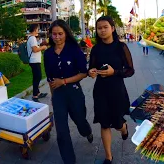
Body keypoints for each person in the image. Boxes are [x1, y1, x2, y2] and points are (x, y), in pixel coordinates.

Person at [43, 20, 93, 164]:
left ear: (66, 34)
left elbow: (83, 73)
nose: (57, 37)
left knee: (80, 121)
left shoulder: (74, 50)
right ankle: (69, 160)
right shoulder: (48, 54)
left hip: (74, 93)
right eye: (54, 34)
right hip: (58, 95)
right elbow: (50, 79)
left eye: (60, 34)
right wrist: (53, 98)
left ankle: (87, 131)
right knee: (62, 131)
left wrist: (63, 81)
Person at [88, 16, 135, 164]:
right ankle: (108, 156)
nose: (102, 30)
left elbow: (130, 70)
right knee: (104, 123)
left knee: (117, 123)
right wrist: (91, 72)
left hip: (117, 90)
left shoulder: (121, 47)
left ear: (112, 28)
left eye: (105, 27)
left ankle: (124, 128)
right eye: (99, 28)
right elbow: (91, 67)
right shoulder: (96, 49)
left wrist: (113, 72)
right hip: (100, 91)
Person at [27, 24, 48, 102]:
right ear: (35, 29)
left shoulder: (32, 38)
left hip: (34, 61)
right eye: (38, 29)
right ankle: (35, 95)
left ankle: (38, 93)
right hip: (34, 61)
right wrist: (43, 47)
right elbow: (35, 50)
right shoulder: (32, 38)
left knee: (37, 77)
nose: (38, 30)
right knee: (37, 77)